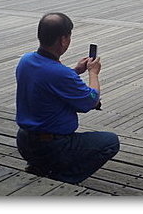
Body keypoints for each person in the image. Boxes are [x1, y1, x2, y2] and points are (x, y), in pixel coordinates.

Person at [15, 13, 120, 183]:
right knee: (110, 142)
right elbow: (91, 100)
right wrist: (93, 73)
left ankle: (39, 166)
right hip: (53, 146)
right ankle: (62, 178)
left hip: (25, 141)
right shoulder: (60, 73)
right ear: (63, 40)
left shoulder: (26, 60)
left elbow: (48, 80)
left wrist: (75, 71)